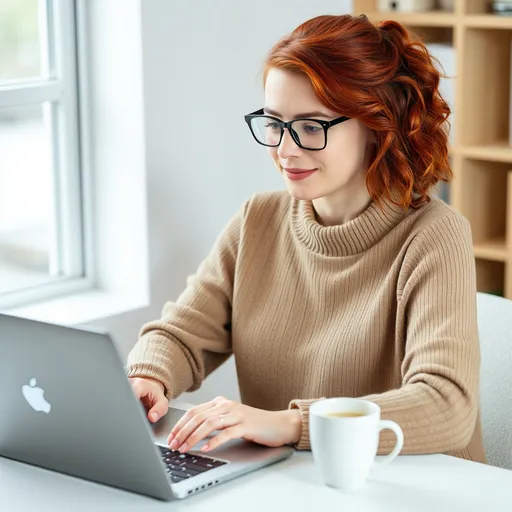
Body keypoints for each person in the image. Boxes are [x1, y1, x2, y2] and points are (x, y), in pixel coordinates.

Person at [126, 13, 486, 463]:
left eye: (311, 127)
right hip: (299, 487)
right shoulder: (258, 220)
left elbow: (446, 405)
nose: (285, 149)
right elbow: (180, 335)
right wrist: (149, 377)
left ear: (378, 127)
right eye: (275, 122)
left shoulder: (432, 236)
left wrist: (292, 423)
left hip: (415, 491)